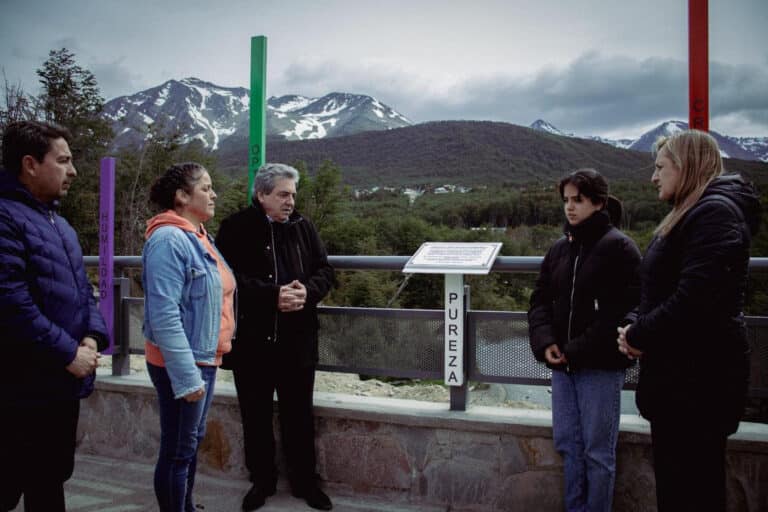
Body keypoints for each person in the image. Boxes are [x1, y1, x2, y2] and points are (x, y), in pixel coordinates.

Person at [617, 130, 760, 511]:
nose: (653, 177)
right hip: (685, 380)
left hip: (698, 385)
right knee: (681, 484)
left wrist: (639, 333)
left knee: (691, 488)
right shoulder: (697, 212)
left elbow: (695, 299)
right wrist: (635, 325)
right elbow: (662, 290)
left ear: (687, 167)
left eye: (661, 167)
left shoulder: (714, 214)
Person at [0, 120, 108, 512]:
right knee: (14, 480)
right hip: (21, 388)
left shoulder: (58, 223)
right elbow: (9, 301)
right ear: (30, 164)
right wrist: (68, 353)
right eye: (63, 161)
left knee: (49, 477)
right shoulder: (6, 217)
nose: (73, 170)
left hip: (58, 386)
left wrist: (93, 338)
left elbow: (83, 293)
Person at [215, 163, 335, 511]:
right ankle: (262, 482)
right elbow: (226, 279)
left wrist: (307, 293)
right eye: (283, 194)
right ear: (262, 194)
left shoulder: (303, 227)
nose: (290, 202)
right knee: (255, 416)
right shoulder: (236, 228)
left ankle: (305, 483)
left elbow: (325, 270)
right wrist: (272, 296)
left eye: (293, 195)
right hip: (253, 343)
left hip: (297, 341)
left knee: (299, 415)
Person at [528, 168, 641, 512]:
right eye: (566, 200)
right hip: (563, 366)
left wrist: (571, 350)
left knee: (597, 452)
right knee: (569, 446)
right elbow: (539, 301)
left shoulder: (620, 248)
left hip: (600, 368)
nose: (570, 208)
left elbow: (622, 313)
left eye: (578, 200)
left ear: (598, 202)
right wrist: (546, 341)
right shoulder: (560, 250)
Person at [142, 162, 236, 512]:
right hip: (183, 363)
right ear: (182, 196)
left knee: (189, 444)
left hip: (203, 358)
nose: (214, 194)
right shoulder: (168, 239)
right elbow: (164, 315)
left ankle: (187, 506)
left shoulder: (196, 236)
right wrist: (186, 376)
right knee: (178, 450)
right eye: (206, 188)